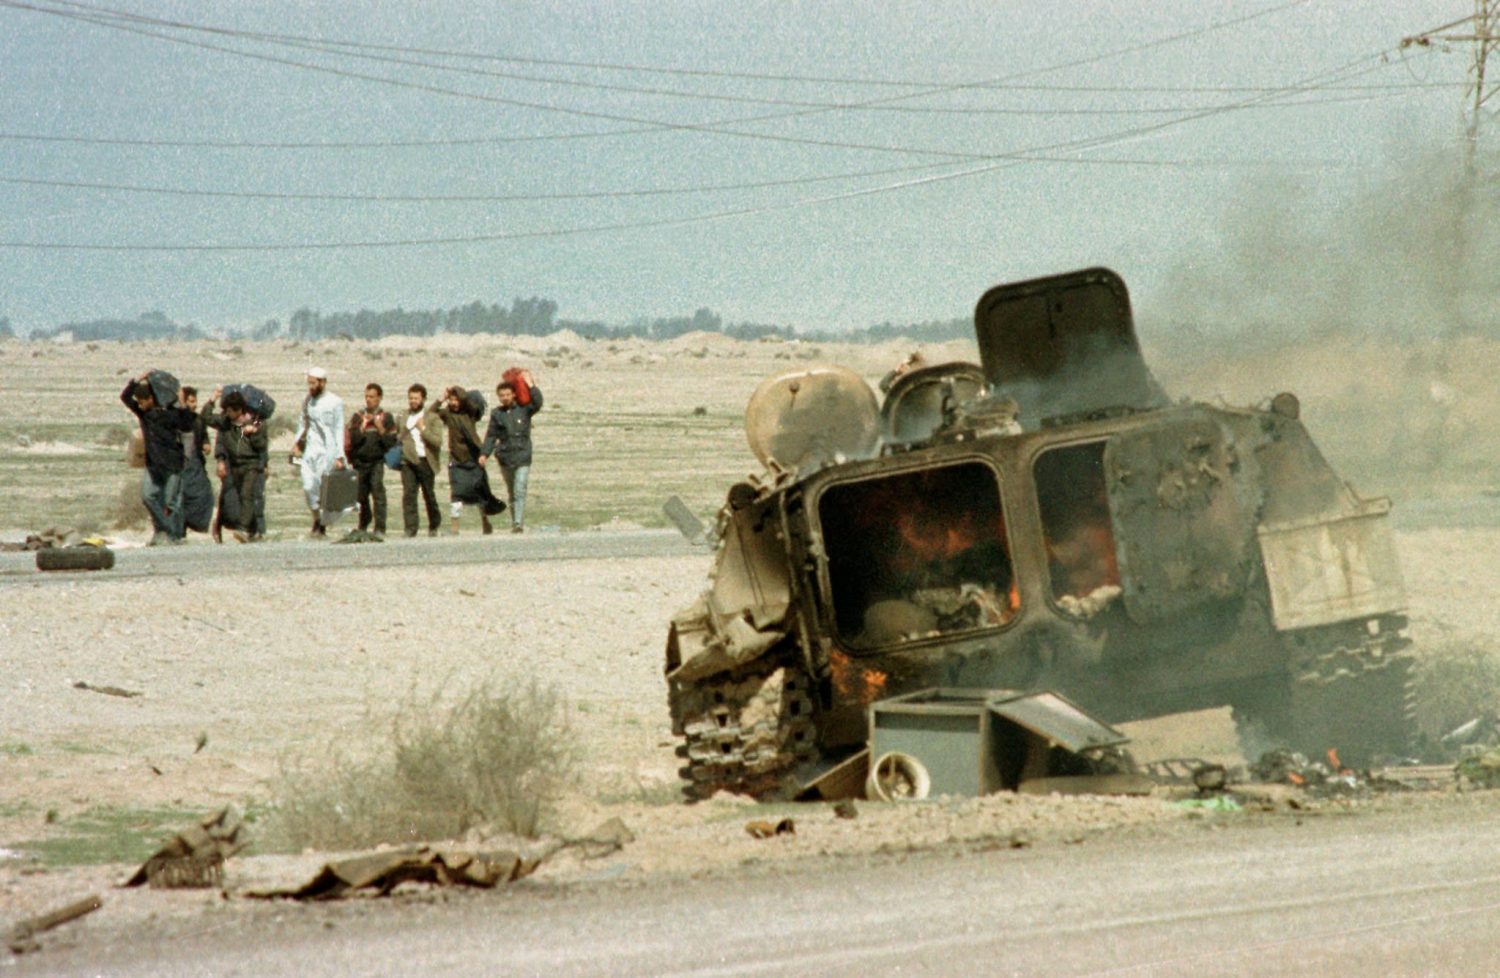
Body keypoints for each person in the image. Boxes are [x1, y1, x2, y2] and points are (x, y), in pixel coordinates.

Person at [119, 370, 194, 546]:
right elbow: (125, 397)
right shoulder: (144, 415)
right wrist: (138, 380)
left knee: (170, 503)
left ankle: (172, 536)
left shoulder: (170, 414)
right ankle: (165, 530)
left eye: (142, 400)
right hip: (153, 466)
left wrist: (182, 404)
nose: (140, 404)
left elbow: (187, 424)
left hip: (172, 464)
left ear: (151, 399)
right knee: (148, 496)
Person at [431, 385, 505, 534]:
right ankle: (455, 528)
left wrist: (459, 392)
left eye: (456, 400)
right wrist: (441, 398)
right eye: (451, 400)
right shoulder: (448, 414)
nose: (453, 403)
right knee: (456, 494)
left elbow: (471, 404)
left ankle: (485, 522)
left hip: (474, 459)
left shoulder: (470, 414)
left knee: (479, 493)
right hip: (456, 461)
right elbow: (431, 413)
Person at [478, 371, 542, 533]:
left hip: (523, 456)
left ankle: (518, 524)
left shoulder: (524, 410)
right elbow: (491, 435)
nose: (505, 397)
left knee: (520, 488)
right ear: (498, 397)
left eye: (508, 394)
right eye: (502, 395)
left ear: (513, 394)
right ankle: (515, 522)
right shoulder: (497, 414)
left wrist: (531, 385)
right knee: (512, 491)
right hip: (506, 457)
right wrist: (485, 454)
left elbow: (538, 402)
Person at [202, 389, 269, 543]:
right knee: (237, 498)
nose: (227, 413)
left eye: (230, 411)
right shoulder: (225, 422)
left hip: (251, 464)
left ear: (239, 410)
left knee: (247, 495)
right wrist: (212, 399)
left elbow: (262, 445)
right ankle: (252, 530)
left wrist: (253, 434)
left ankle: (244, 529)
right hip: (234, 465)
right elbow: (206, 417)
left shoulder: (255, 422)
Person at [291, 367, 346, 537]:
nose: (311, 387)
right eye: (309, 383)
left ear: (323, 382)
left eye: (314, 383)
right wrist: (296, 444)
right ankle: (316, 518)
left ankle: (321, 525)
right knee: (309, 487)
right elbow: (303, 423)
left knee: (324, 490)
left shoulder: (335, 402)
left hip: (327, 451)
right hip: (310, 450)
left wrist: (339, 455)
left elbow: (338, 429)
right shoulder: (307, 401)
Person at [345, 383, 397, 539]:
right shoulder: (357, 417)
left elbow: (391, 442)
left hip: (377, 461)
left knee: (378, 492)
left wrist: (379, 427)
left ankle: (380, 527)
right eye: (366, 396)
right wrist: (362, 426)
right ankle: (364, 521)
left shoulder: (386, 417)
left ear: (379, 398)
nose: (368, 400)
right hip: (360, 461)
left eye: (372, 397)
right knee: (361, 495)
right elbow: (353, 439)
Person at [398, 383, 443, 538]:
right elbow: (398, 436)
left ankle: (434, 525)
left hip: (425, 461)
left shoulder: (432, 418)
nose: (413, 401)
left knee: (428, 495)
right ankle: (410, 529)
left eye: (416, 398)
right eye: (411, 398)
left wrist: (423, 429)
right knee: (409, 495)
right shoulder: (403, 416)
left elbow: (437, 441)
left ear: (423, 399)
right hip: (407, 462)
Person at [176, 386, 216, 537]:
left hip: (196, 464)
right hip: (181, 464)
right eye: (191, 401)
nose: (194, 405)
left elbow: (203, 434)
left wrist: (205, 443)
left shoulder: (197, 419)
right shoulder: (177, 418)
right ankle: (179, 529)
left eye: (195, 401)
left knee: (204, 495)